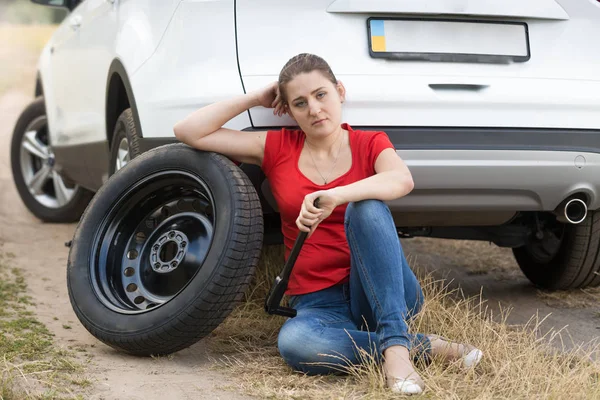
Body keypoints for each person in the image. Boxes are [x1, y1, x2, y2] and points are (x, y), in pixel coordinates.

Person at [173, 53, 483, 395]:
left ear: (340, 92)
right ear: (288, 110)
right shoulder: (277, 147)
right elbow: (188, 131)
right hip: (316, 301)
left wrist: (337, 195)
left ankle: (396, 347)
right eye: (300, 103)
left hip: (381, 291)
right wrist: (255, 98)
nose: (315, 110)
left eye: (321, 95)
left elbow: (401, 180)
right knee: (297, 344)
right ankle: (423, 346)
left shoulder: (369, 143)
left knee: (365, 207)